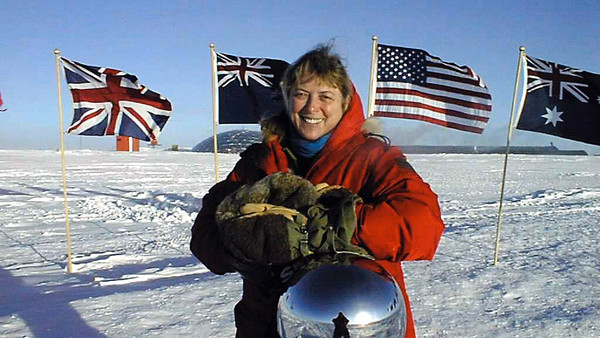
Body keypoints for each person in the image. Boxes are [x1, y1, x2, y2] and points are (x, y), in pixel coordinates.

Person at [191, 43, 445, 338]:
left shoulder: (375, 159)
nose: (312, 107)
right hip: (265, 322)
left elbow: (422, 225)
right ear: (287, 100)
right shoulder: (258, 163)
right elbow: (204, 237)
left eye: (326, 96)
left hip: (359, 320)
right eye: (301, 94)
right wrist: (240, 244)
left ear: (345, 103)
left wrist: (332, 225)